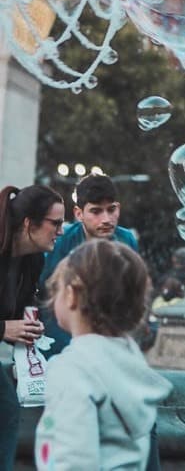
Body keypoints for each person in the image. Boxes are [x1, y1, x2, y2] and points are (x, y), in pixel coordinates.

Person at [35, 240, 171, 470]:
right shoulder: (130, 359)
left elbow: (74, 460)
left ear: (71, 295)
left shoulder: (74, 369)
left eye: (56, 288)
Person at [0, 184, 64, 471]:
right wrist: (3, 330)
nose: (61, 231)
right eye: (56, 223)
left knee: (7, 408)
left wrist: (26, 345)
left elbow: (20, 314)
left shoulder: (34, 259)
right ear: (29, 223)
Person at [40, 172, 138, 356]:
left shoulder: (127, 241)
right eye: (96, 211)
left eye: (111, 209)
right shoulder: (59, 242)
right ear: (79, 213)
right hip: (58, 337)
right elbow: (42, 294)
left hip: (107, 337)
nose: (106, 219)